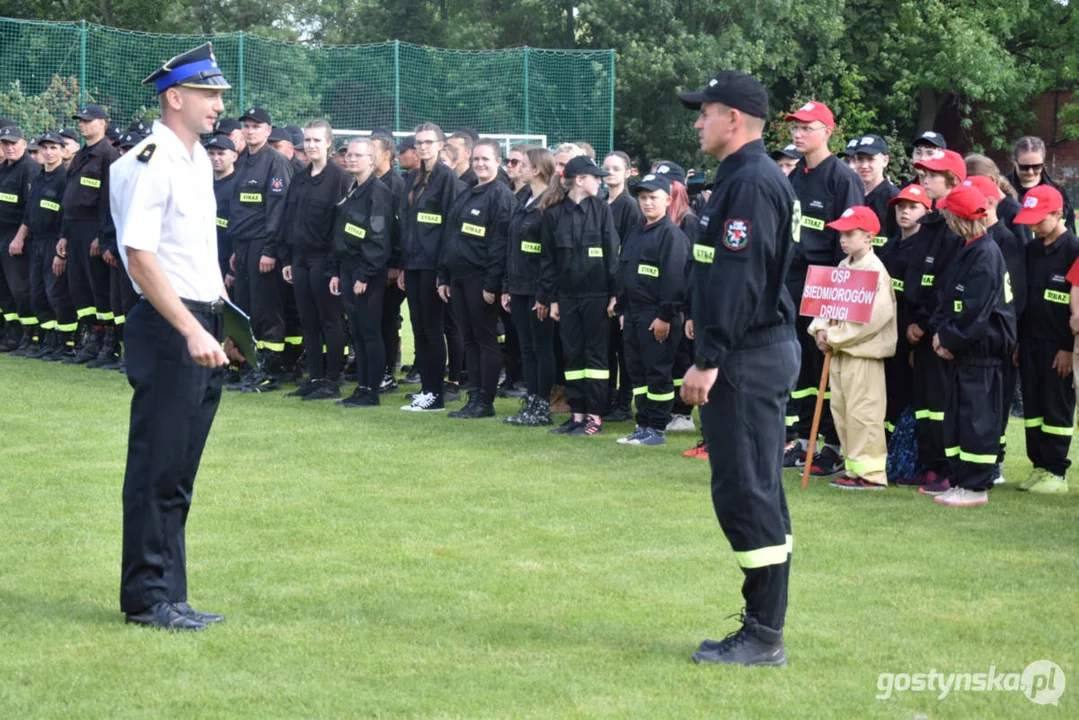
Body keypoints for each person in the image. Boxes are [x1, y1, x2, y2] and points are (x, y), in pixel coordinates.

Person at [111, 41, 234, 631]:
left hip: (198, 321)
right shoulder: (151, 158)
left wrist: (222, 323)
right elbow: (140, 256)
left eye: (219, 95)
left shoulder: (196, 159)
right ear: (175, 97)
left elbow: (197, 256)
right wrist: (188, 329)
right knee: (157, 468)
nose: (218, 105)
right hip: (168, 326)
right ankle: (146, 599)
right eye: (209, 94)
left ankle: (171, 595)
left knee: (179, 471)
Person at [677, 70, 798, 666]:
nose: (697, 120)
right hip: (752, 351)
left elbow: (739, 281)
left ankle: (763, 637)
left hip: (747, 356)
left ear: (734, 118)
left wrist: (708, 359)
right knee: (755, 490)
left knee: (746, 492)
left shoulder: (751, 181)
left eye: (706, 110)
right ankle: (762, 624)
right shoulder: (742, 178)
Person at [782, 100, 863, 475]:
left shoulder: (842, 179)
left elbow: (850, 245)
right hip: (792, 283)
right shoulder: (793, 175)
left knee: (825, 369)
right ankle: (802, 441)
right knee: (800, 369)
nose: (798, 133)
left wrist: (834, 304)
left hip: (826, 284)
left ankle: (830, 446)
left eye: (806, 127)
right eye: (794, 127)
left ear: (827, 132)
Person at [927, 183, 1015, 506]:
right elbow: (950, 299)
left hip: (982, 355)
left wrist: (948, 339)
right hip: (965, 353)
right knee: (959, 418)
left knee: (977, 419)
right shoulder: (968, 249)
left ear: (957, 219)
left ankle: (976, 486)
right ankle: (962, 480)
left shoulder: (985, 255)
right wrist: (940, 333)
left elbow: (975, 314)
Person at [808, 206, 897, 489]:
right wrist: (820, 329)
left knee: (864, 413)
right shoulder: (844, 266)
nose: (843, 239)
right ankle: (854, 468)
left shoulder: (876, 271)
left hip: (863, 355)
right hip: (840, 354)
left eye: (849, 233)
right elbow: (826, 302)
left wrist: (833, 336)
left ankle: (871, 474)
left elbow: (871, 319)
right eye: (841, 233)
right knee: (843, 411)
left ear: (869, 236)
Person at [537, 155, 619, 437]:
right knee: (572, 356)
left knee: (595, 357)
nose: (600, 181)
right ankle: (577, 415)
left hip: (597, 296)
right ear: (580, 180)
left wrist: (614, 295)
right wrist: (553, 299)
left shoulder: (602, 210)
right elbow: (548, 261)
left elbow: (612, 255)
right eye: (596, 177)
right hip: (567, 297)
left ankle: (594, 417)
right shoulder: (554, 214)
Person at [437, 138, 516, 418]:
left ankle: (486, 401)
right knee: (468, 338)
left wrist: (491, 284)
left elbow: (499, 245)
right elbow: (450, 237)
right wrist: (443, 276)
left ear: (498, 161)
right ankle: (473, 397)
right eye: (476, 160)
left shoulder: (501, 196)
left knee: (485, 339)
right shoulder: (467, 193)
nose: (480, 164)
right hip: (457, 278)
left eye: (486, 159)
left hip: (480, 279)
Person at [902, 150, 966, 492]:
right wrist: (913, 320)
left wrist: (926, 324)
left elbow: (947, 283)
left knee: (941, 402)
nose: (924, 179)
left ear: (953, 180)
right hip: (921, 329)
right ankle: (929, 465)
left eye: (932, 174)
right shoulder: (928, 221)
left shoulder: (955, 224)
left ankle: (946, 469)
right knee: (925, 402)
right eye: (922, 173)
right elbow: (917, 277)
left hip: (940, 329)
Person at [278, 120, 352, 401]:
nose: (310, 145)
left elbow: (341, 228)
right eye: (307, 140)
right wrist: (287, 258)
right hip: (300, 258)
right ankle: (315, 377)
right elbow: (289, 218)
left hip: (325, 260)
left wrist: (335, 267)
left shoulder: (340, 179)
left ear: (329, 144)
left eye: (316, 140)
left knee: (330, 320)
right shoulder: (299, 176)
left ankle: (333, 379)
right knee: (308, 321)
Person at [961, 172, 1026, 484]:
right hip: (978, 338)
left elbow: (1011, 296)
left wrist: (1012, 339)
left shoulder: (1002, 242)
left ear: (987, 203)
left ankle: (993, 465)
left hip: (995, 338)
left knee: (992, 404)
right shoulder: (976, 240)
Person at [615, 173, 688, 446]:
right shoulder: (636, 232)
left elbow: (674, 281)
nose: (647, 203)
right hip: (632, 314)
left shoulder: (672, 236)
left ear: (667, 200)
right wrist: (622, 309)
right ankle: (642, 423)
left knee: (658, 372)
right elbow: (624, 271)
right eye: (642, 198)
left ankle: (657, 428)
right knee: (637, 372)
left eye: (653, 197)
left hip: (656, 315)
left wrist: (664, 316)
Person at [1013, 185, 1077, 493]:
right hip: (1030, 342)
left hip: (1059, 347)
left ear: (1057, 213)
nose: (1033, 225)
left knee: (1057, 408)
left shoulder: (1074, 250)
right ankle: (1038, 466)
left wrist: (1068, 347)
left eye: (1040, 219)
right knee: (1034, 408)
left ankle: (1056, 471)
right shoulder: (1032, 250)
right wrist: (1018, 340)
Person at [398, 123, 465, 411]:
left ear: (441, 144)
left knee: (433, 329)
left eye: (428, 142)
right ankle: (425, 388)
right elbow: (407, 223)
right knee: (419, 327)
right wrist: (402, 264)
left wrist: (443, 272)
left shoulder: (447, 179)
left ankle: (436, 393)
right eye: (419, 143)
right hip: (412, 263)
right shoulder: (413, 176)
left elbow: (451, 227)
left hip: (433, 265)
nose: (423, 147)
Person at [227, 105, 293, 392]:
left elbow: (278, 210)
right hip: (242, 245)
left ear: (268, 130)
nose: (251, 131)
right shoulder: (242, 161)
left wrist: (270, 250)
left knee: (267, 308)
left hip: (262, 246)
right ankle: (250, 365)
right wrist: (234, 248)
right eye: (247, 126)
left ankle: (271, 370)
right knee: (245, 307)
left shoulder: (276, 162)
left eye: (256, 126)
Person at [331, 138, 395, 407]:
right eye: (348, 155)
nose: (351, 159)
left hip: (365, 271)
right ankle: (361, 386)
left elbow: (379, 239)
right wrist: (337, 270)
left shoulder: (377, 192)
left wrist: (365, 275)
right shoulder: (352, 188)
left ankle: (371, 391)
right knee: (356, 331)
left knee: (369, 331)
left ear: (372, 159)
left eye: (358, 155)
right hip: (347, 268)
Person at [58, 104, 120, 364]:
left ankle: (109, 345)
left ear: (102, 123)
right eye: (81, 121)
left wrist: (101, 235)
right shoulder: (81, 155)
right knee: (80, 289)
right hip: (74, 228)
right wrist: (63, 235)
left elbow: (109, 200)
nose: (83, 125)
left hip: (94, 229)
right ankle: (91, 342)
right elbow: (69, 198)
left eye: (88, 121)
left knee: (99, 289)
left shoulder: (108, 155)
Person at [877, 184, 931, 481]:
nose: (904, 211)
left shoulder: (927, 250)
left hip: (912, 339)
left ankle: (910, 460)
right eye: (900, 206)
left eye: (912, 206)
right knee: (889, 398)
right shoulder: (889, 247)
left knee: (909, 399)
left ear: (926, 211)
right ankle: (888, 455)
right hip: (887, 336)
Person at [504, 147, 557, 426]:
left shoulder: (551, 202)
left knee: (541, 348)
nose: (517, 167)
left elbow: (550, 255)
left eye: (522, 163)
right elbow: (512, 246)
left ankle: (542, 406)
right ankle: (532, 402)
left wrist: (544, 294)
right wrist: (507, 286)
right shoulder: (523, 198)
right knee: (526, 348)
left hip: (538, 290)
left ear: (536, 169)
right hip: (519, 287)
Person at [20, 131, 77, 360]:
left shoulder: (65, 178)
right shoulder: (39, 177)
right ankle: (48, 340)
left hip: (55, 242)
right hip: (37, 243)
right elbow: (29, 211)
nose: (48, 152)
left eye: (54, 148)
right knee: (38, 294)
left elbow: (66, 216)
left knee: (57, 294)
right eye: (45, 147)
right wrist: (20, 236)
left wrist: (60, 251)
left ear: (63, 152)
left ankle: (67, 343)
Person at [601, 150, 644, 422]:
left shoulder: (629, 206)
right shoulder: (599, 202)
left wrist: (618, 295)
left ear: (628, 173)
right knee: (605, 349)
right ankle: (606, 399)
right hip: (598, 285)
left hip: (618, 289)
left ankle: (623, 403)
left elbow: (628, 251)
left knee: (622, 349)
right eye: (606, 168)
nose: (610, 174)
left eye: (616, 168)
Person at [0, 124, 42, 353]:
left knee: (20, 288)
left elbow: (30, 209)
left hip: (18, 236)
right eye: (5, 143)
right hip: (2, 233)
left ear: (24, 144)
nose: (9, 148)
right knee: (4, 288)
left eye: (13, 143)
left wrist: (19, 238)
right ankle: (12, 334)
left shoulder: (30, 169)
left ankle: (31, 336)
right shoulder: (4, 169)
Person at [371, 133, 408, 393]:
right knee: (374, 318)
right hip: (372, 264)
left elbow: (398, 228)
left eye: (371, 151)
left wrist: (395, 263)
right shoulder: (368, 182)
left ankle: (388, 372)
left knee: (387, 318)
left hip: (389, 267)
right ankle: (375, 368)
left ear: (387, 155)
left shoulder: (396, 184)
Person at [1006, 136, 1076, 234]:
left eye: (1036, 167)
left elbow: (1069, 226)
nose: (1030, 172)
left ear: (1043, 163)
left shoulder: (1056, 189)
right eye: (1024, 167)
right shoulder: (1002, 189)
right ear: (1015, 163)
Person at [851, 134, 898, 244]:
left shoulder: (894, 198)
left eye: (870, 159)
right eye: (860, 159)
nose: (864, 165)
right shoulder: (851, 192)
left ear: (885, 161)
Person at [206, 135, 237, 285]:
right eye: (211, 153)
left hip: (227, 260)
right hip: (206, 258)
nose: (215, 158)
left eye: (221, 153)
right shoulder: (202, 183)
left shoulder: (239, 185)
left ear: (234, 156)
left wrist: (233, 270)